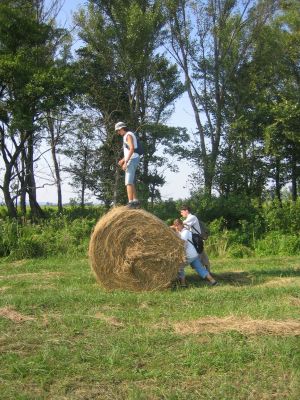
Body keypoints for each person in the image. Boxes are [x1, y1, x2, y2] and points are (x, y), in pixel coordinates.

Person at [172, 219, 218, 287]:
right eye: (175, 226)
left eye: (177, 226)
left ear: (181, 225)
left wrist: (182, 255)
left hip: (189, 255)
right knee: (200, 268)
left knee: (179, 267)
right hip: (194, 254)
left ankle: (183, 284)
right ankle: (213, 281)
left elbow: (184, 245)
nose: (176, 228)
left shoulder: (185, 233)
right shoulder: (185, 231)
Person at [115, 121, 140, 208]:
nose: (118, 133)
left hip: (132, 159)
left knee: (128, 182)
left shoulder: (128, 135)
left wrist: (126, 162)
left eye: (118, 131)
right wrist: (122, 160)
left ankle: (131, 203)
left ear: (122, 128)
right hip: (133, 158)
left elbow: (132, 149)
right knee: (131, 181)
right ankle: (135, 200)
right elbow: (129, 150)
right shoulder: (127, 135)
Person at [180, 205, 211, 271]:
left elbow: (181, 224)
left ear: (187, 211)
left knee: (199, 256)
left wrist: (173, 226)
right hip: (195, 239)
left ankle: (206, 272)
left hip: (196, 239)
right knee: (201, 254)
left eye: (182, 212)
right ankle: (207, 272)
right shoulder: (189, 218)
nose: (181, 214)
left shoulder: (192, 217)